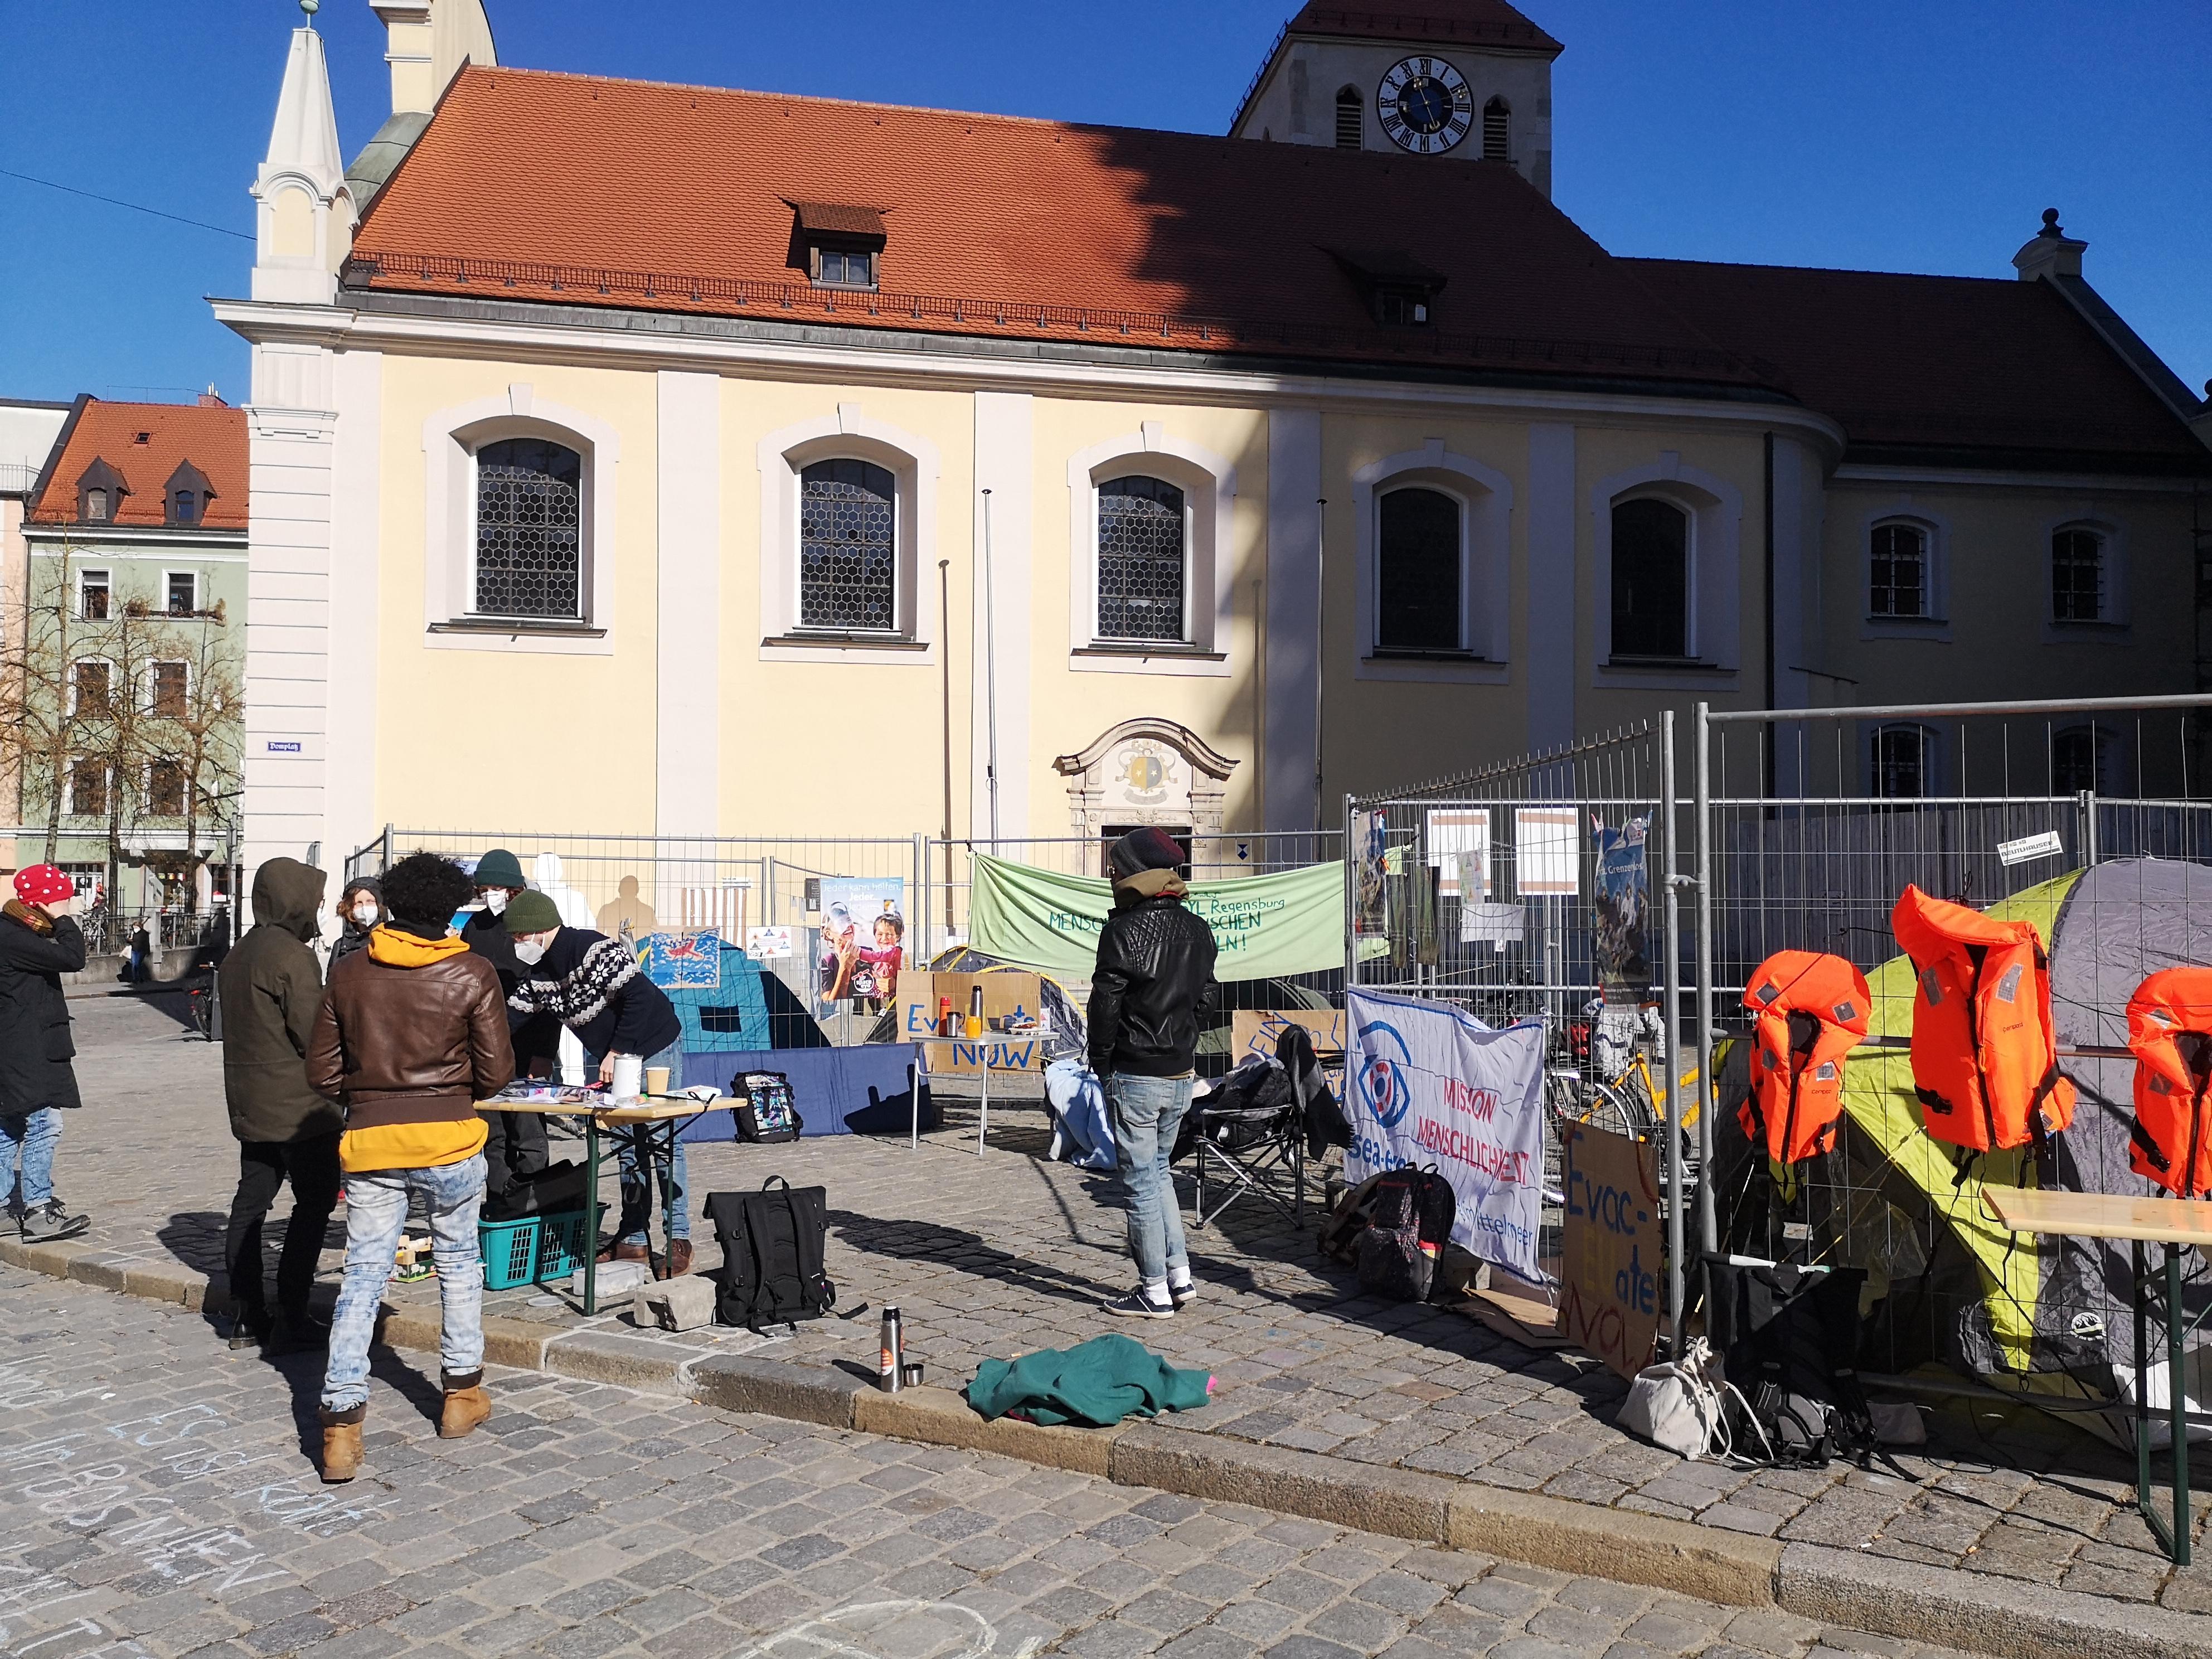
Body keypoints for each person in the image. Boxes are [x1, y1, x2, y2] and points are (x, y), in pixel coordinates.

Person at [307, 852, 513, 1483]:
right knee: (457, 1262)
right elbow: (496, 1071)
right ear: (453, 907)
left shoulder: (347, 972)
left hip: (372, 1143)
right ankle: (460, 1394)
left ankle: (341, 1423)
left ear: (389, 904)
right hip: (450, 1138)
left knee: (364, 1277)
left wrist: (369, 1097)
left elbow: (321, 1072)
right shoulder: (472, 970)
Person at [502, 890, 692, 1276]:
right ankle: (634, 1238)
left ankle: (679, 1236)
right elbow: (512, 1020)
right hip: (613, 1055)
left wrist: (619, 1050)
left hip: (653, 1044)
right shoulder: (539, 975)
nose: (515, 945)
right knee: (625, 1143)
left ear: (538, 930)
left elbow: (639, 997)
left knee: (659, 1139)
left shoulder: (594, 950)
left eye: (518, 937)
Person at [1087, 827, 1216, 1320]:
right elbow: (1208, 996)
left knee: (1141, 1182)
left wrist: (1101, 1062)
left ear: (1137, 873)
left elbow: (1106, 1005)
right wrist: (1182, 1033)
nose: (1111, 874)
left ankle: (1153, 1290)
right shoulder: (1198, 929)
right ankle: (1180, 1276)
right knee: (1160, 1173)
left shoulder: (1122, 931)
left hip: (1136, 1072)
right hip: (1180, 1073)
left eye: (1117, 866)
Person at [217, 857, 342, 1353]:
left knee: (251, 1202)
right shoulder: (290, 956)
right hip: (298, 1105)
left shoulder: (240, 953)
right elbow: (313, 1032)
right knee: (313, 1205)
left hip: (251, 1100)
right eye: (312, 901)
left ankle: (247, 1313)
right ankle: (293, 1308)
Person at [0, 866, 91, 1242]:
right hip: (26, 1050)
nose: (68, 906)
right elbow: (73, 957)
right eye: (63, 900)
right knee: (43, 1124)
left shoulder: (13, 931)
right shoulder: (13, 937)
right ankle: (38, 1210)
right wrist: (65, 920)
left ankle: (3, 1209)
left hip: (17, 1047)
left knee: (8, 1128)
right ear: (41, 903)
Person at [458, 848, 551, 1209]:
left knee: (527, 1133)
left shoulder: (532, 923)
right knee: (492, 1133)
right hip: (483, 1048)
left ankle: (532, 1206)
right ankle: (499, 1204)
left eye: (498, 886)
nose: (491, 894)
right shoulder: (475, 928)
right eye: (485, 887)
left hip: (526, 1048)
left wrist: (544, 1053)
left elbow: (548, 994)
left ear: (514, 889)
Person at [329, 876, 384, 967]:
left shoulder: (388, 941)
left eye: (370, 902)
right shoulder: (340, 946)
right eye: (359, 903)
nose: (364, 908)